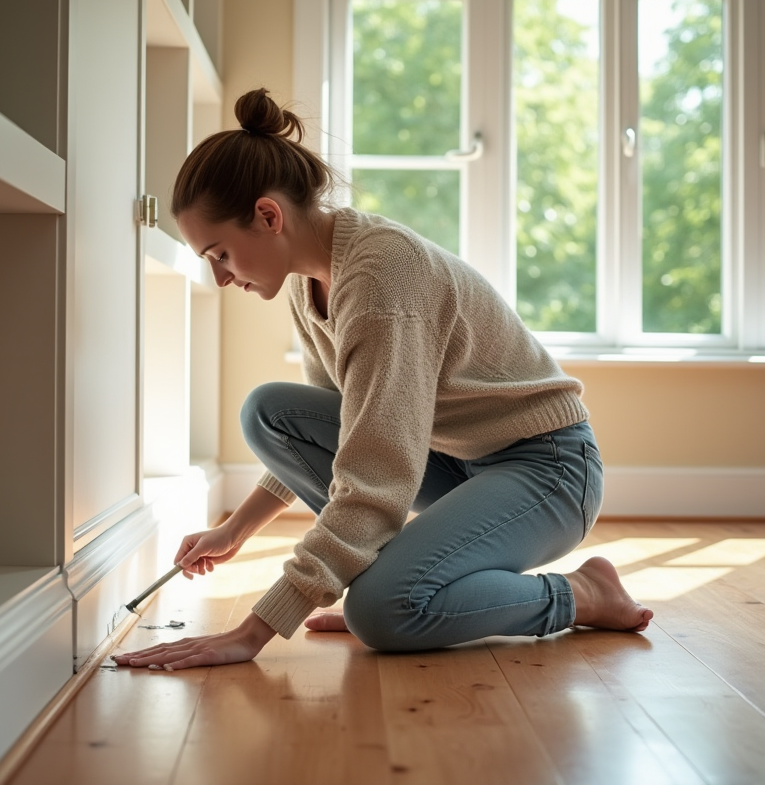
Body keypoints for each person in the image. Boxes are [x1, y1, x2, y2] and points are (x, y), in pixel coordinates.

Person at [112, 88, 652, 672]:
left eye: (219, 255)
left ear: (269, 216)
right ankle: (388, 574)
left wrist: (253, 631)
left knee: (384, 612)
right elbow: (346, 428)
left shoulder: (379, 283)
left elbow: (375, 470)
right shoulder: (305, 281)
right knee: (270, 411)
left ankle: (584, 594)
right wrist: (234, 529)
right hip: (453, 461)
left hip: (547, 469)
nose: (219, 277)